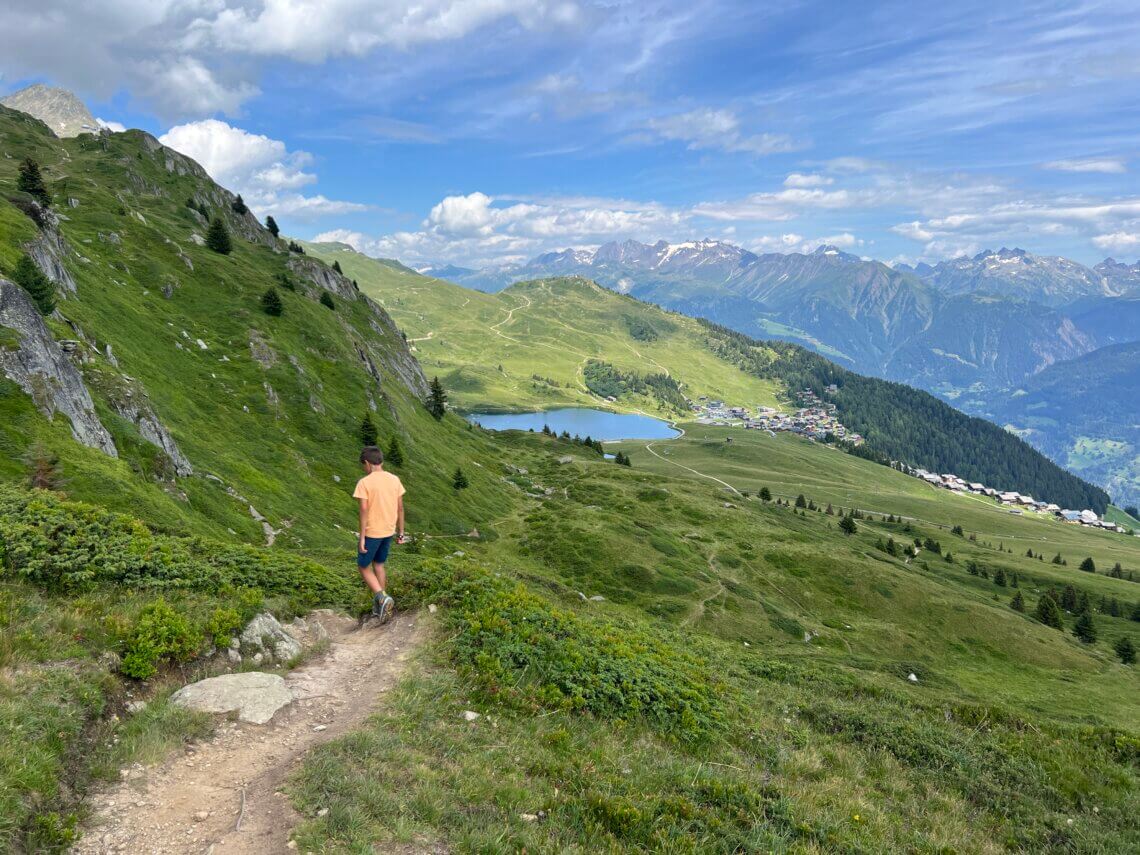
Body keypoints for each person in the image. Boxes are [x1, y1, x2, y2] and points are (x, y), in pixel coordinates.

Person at [352, 446, 406, 622]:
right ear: (380, 461)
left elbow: (364, 510)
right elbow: (400, 508)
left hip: (372, 532)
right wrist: (401, 533)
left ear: (367, 463)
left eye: (364, 465)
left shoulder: (365, 482)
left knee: (363, 566)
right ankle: (382, 608)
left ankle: (382, 598)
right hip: (388, 531)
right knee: (379, 565)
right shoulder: (394, 480)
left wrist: (362, 538)